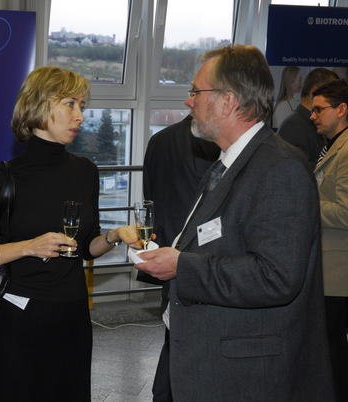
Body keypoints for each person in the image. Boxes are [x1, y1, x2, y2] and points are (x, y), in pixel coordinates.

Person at [135, 44, 334, 402]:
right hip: (210, 361)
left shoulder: (280, 168)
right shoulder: (230, 162)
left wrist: (181, 265)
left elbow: (276, 276)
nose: (189, 101)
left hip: (247, 376)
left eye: (196, 91)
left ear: (227, 101)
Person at [0, 66, 137, 402]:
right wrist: (29, 246)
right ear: (39, 104)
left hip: (72, 314)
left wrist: (113, 236)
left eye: (82, 106)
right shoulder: (5, 177)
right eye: (70, 104)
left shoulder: (85, 172)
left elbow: (86, 247)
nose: (79, 116)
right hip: (20, 317)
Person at [141, 114, 219, 402]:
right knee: (187, 343)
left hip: (166, 250)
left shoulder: (159, 140)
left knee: (172, 334)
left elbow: (149, 196)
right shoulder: (212, 143)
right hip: (197, 259)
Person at [311, 79, 348, 402]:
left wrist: (308, 204)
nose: (313, 116)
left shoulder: (346, 151)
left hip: (339, 273)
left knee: (335, 350)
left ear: (342, 109)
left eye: (319, 109)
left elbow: (346, 212)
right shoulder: (333, 146)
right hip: (329, 270)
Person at [277, 67, 339, 168]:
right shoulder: (293, 126)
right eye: (333, 95)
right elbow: (297, 171)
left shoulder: (311, 124)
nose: (337, 101)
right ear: (315, 92)